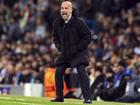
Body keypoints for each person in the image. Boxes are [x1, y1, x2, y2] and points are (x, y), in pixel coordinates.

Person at [51, 0, 92, 104]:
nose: (63, 10)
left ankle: (87, 98)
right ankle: (59, 97)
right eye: (62, 8)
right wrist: (59, 47)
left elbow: (88, 36)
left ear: (71, 10)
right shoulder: (57, 22)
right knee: (59, 71)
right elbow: (55, 37)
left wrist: (78, 48)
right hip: (65, 52)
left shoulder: (78, 22)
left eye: (66, 8)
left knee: (81, 71)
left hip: (79, 53)